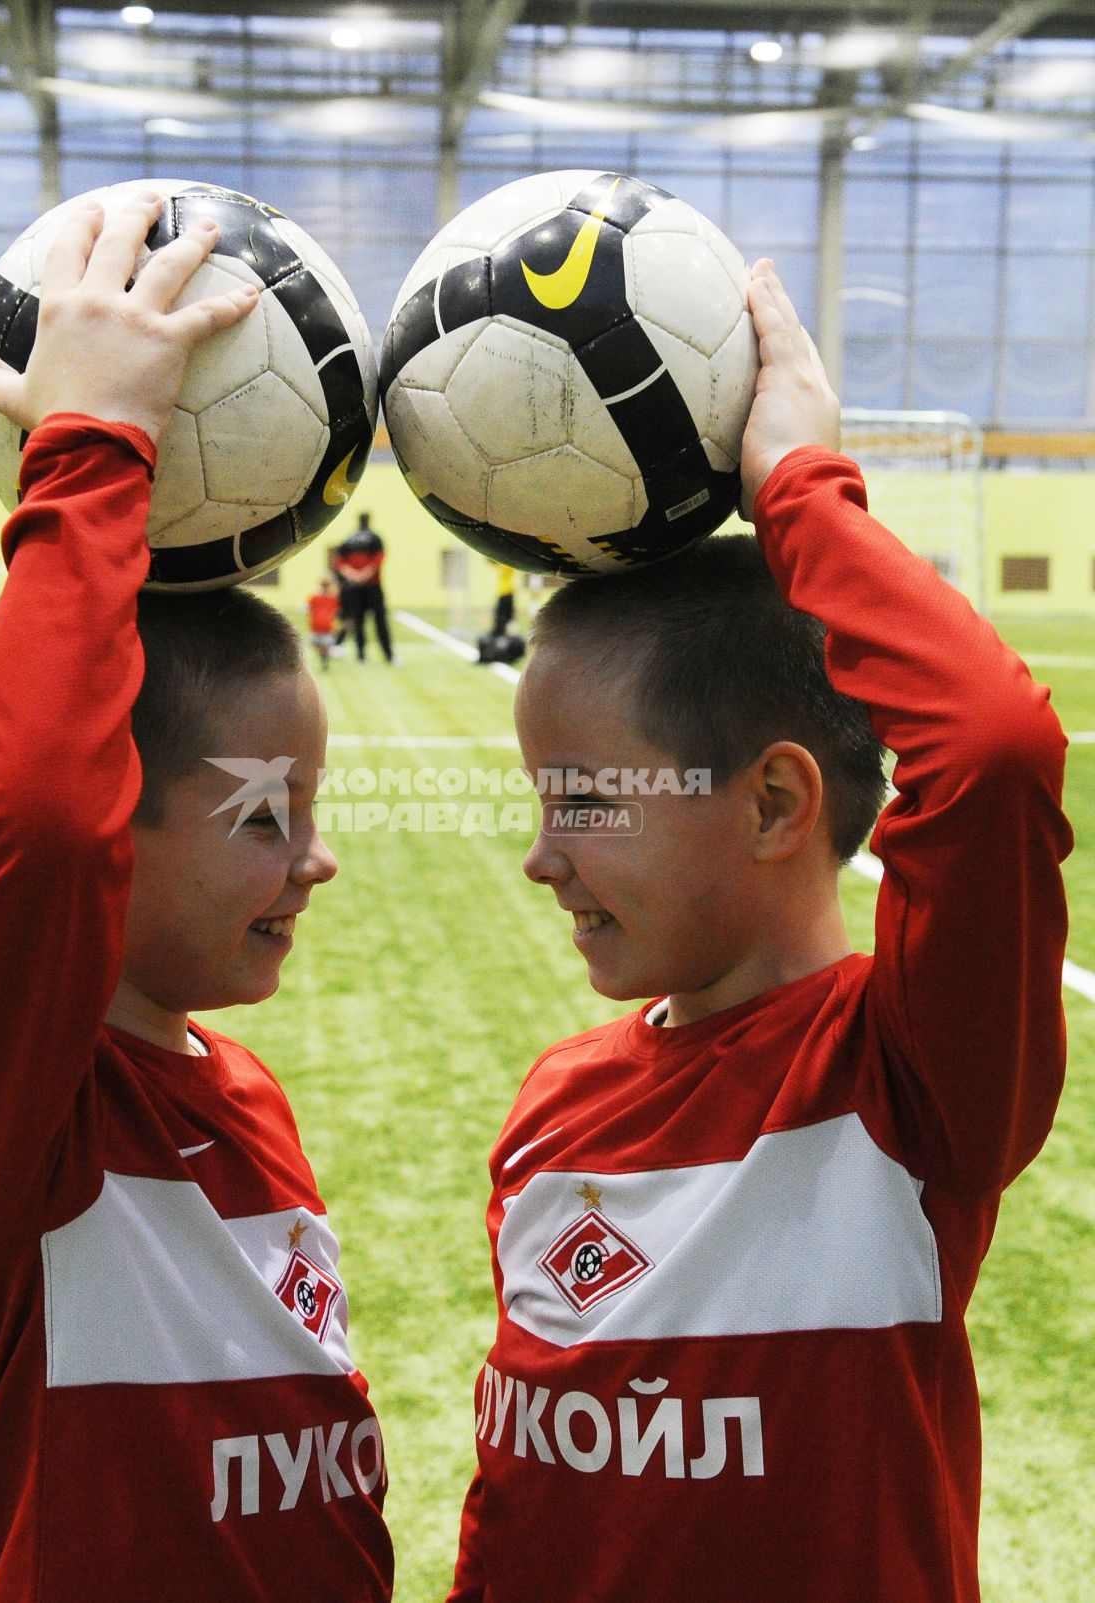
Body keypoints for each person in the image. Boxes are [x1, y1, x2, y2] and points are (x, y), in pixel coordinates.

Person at [447, 260, 1071, 1603]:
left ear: (777, 799)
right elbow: (523, 1498)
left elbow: (995, 752)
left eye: (588, 802)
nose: (540, 855)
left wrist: (800, 492)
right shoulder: (559, 1099)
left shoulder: (906, 1081)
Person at [0, 193, 392, 1603]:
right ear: (114, 830)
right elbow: (31, 808)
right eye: (268, 813)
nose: (315, 858)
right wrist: (92, 451)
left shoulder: (244, 1090)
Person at [332, 511, 393, 663]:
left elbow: (339, 561)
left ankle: (361, 657)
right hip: (372, 586)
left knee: (359, 621)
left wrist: (353, 575)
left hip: (355, 588)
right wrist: (363, 575)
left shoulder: (349, 538)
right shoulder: (375, 538)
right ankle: (388, 656)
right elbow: (378, 559)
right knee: (379, 622)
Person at [307, 574, 340, 669]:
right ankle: (324, 657)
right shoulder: (332, 598)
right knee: (322, 644)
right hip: (324, 626)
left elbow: (308, 608)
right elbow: (337, 611)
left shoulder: (317, 597)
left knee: (322, 644)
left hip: (320, 626)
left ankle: (324, 658)